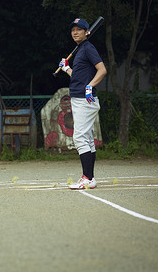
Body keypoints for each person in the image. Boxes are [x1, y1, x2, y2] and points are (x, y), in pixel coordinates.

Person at [58, 18, 107, 190]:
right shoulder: (80, 50)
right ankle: (90, 178)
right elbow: (79, 77)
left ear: (87, 32)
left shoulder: (88, 48)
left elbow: (102, 70)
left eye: (79, 29)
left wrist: (90, 86)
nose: (75, 32)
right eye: (73, 30)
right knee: (86, 138)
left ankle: (87, 178)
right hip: (79, 99)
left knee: (79, 137)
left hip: (85, 99)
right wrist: (66, 68)